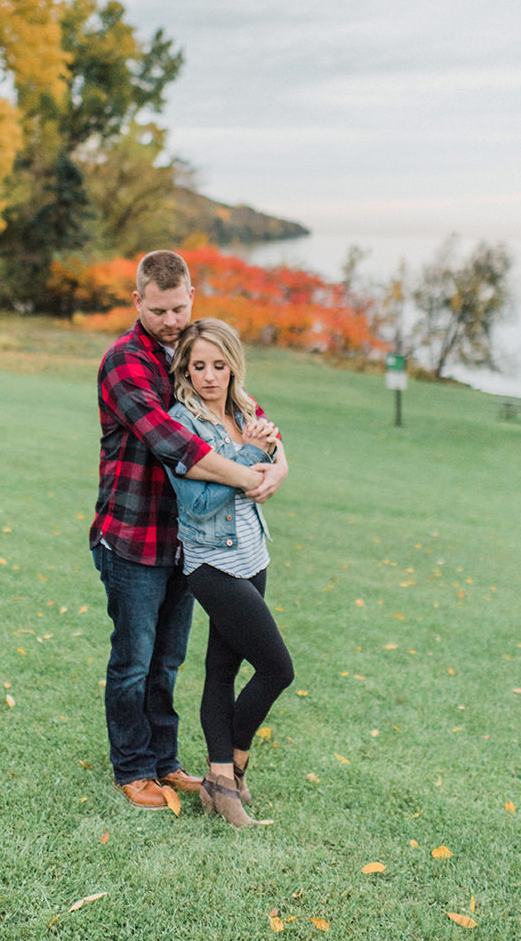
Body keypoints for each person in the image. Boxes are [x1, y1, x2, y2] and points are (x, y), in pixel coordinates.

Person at [90, 251, 288, 810]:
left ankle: (166, 762)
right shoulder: (124, 362)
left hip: (187, 542)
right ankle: (132, 770)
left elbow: (252, 418)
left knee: (169, 659)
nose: (172, 320)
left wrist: (276, 467)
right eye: (159, 311)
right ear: (137, 302)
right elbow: (178, 447)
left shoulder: (195, 351)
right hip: (133, 535)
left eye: (179, 307)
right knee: (133, 661)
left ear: (192, 296)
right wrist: (251, 466)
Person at [165, 318, 294, 827]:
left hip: (252, 555)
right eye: (198, 366)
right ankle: (231, 771)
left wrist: (275, 463)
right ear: (186, 370)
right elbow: (196, 504)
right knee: (277, 669)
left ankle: (221, 781)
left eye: (219, 365)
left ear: (233, 365)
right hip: (211, 561)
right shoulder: (182, 422)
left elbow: (275, 453)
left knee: (223, 667)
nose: (209, 376)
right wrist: (250, 457)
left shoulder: (245, 407)